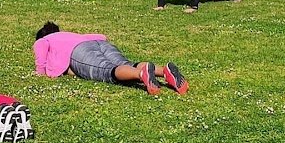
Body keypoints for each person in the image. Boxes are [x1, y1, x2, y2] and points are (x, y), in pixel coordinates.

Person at [33, 22, 189, 96]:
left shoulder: (45, 40)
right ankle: (163, 71)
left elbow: (41, 53)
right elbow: (101, 37)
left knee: (107, 70)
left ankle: (141, 75)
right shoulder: (71, 35)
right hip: (98, 43)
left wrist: (40, 72)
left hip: (80, 51)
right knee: (127, 64)